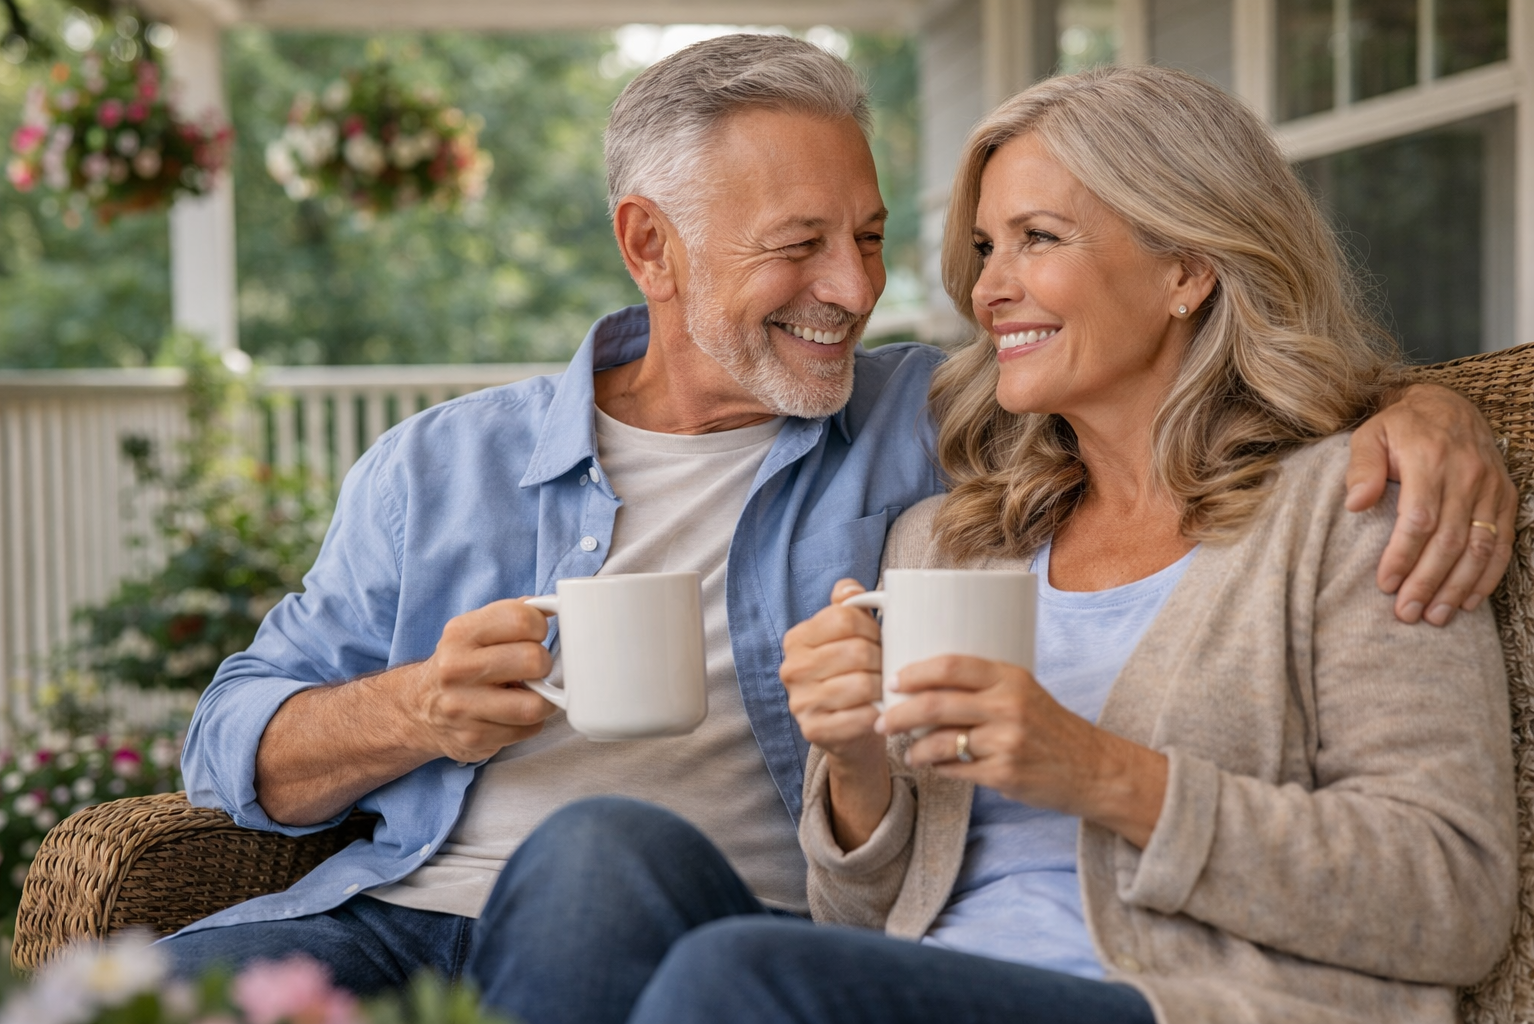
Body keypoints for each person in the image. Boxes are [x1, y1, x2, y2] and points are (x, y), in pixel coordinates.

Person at [162, 38, 1510, 1021]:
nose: (860, 290)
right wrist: (414, 709)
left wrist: (1437, 416)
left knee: (604, 858)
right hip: (409, 910)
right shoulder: (443, 467)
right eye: (800, 244)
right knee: (121, 993)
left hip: (702, 924)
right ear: (651, 246)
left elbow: (1215, 385)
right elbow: (231, 738)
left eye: (870, 238)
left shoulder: (931, 420)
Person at [615, 64, 1517, 1024]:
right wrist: (854, 764)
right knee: (617, 858)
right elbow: (862, 922)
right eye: (984, 247)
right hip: (939, 993)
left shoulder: (1357, 509)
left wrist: (1096, 772)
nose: (989, 289)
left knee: (735, 975)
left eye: (1038, 238)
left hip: (1184, 1006)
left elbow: (1454, 902)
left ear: (1187, 268)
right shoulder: (949, 544)